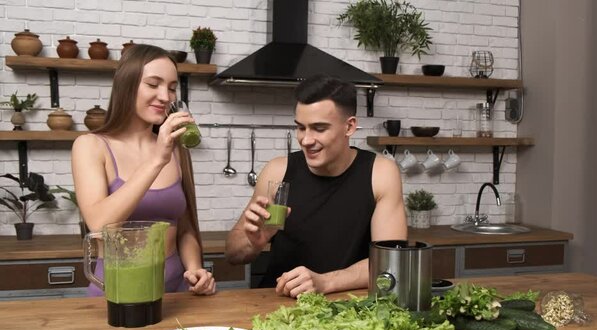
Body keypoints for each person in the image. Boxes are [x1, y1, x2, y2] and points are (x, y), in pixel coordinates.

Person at [226, 74, 407, 298]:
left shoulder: (380, 174)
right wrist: (253, 241)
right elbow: (233, 254)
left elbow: (391, 263)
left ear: (349, 127)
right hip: (278, 306)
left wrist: (324, 282)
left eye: (319, 128)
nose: (306, 140)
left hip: (347, 306)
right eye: (301, 128)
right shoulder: (278, 171)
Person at [72, 44, 215, 296]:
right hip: (117, 292)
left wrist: (195, 270)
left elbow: (184, 228)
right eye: (153, 84)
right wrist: (156, 160)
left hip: (176, 293)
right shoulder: (91, 146)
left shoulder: (177, 149)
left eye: (171, 88)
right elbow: (99, 224)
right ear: (126, 85)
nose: (165, 96)